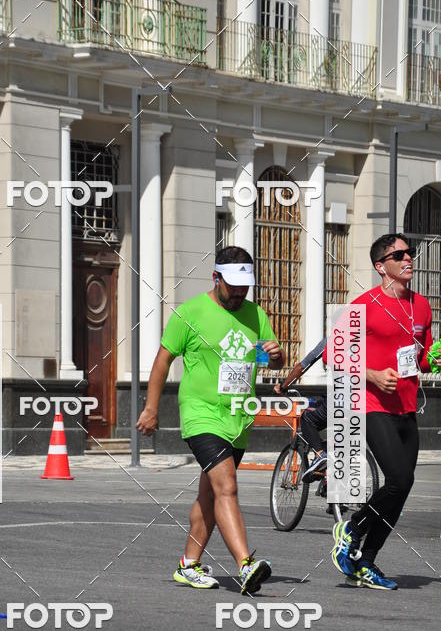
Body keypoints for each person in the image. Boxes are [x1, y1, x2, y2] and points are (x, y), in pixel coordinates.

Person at [136, 246, 285, 594]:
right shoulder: (189, 313)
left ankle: (188, 565)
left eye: (244, 287)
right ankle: (246, 564)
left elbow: (270, 360)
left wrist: (277, 357)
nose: (238, 293)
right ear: (215, 278)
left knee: (210, 494)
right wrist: (151, 408)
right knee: (227, 486)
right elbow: (162, 362)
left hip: (238, 418)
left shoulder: (256, 315)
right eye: (232, 286)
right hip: (201, 414)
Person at [329, 234, 441, 591]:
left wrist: (435, 359)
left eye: (409, 252)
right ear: (381, 266)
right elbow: (333, 356)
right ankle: (350, 528)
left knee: (403, 486)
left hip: (406, 406)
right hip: (371, 405)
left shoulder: (421, 307)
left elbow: (421, 359)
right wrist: (371, 374)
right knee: (398, 479)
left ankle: (365, 562)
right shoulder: (363, 305)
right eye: (398, 255)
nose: (408, 258)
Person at [274, 337, 328, 483]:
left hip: (341, 398)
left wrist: (283, 386)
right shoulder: (367, 340)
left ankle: (320, 455)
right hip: (366, 401)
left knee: (307, 418)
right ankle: (335, 502)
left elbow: (302, 367)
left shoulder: (334, 339)